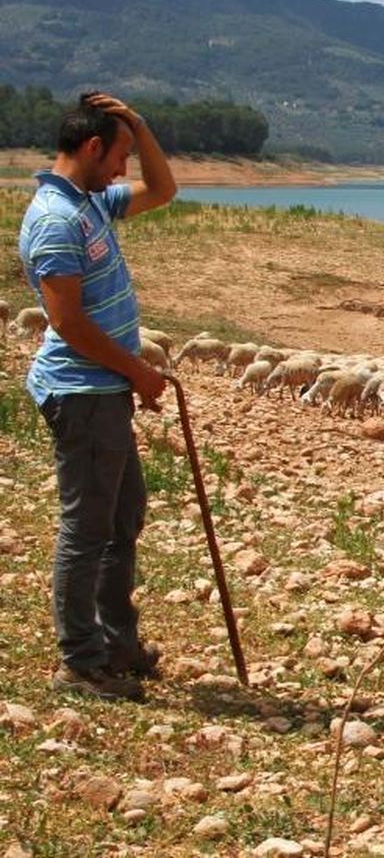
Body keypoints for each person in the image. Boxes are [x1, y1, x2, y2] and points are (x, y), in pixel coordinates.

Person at [18, 91, 177, 702]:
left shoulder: (89, 204)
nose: (124, 171)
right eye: (121, 156)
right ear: (91, 149)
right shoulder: (57, 218)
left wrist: (137, 123)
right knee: (88, 528)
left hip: (103, 388)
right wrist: (138, 372)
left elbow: (163, 192)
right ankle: (80, 662)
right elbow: (68, 323)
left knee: (122, 515)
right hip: (82, 392)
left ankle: (116, 642)